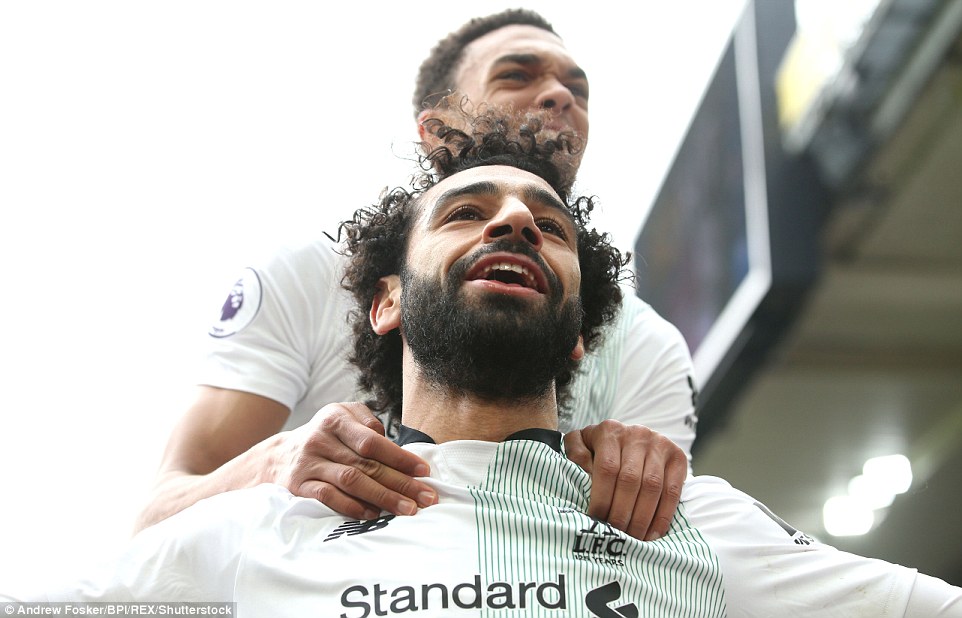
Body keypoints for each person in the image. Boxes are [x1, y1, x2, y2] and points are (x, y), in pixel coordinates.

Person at [12, 116, 960, 616]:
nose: (513, 221)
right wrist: (264, 465)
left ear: (581, 333)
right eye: (466, 213)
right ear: (384, 303)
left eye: (548, 228)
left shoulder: (685, 520)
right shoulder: (264, 525)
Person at [137, 8, 696, 541]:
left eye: (579, 89)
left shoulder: (647, 348)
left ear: (580, 337)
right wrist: (273, 463)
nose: (561, 96)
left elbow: (683, 558)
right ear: (437, 128)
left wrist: (650, 477)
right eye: (516, 74)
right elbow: (155, 522)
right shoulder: (307, 276)